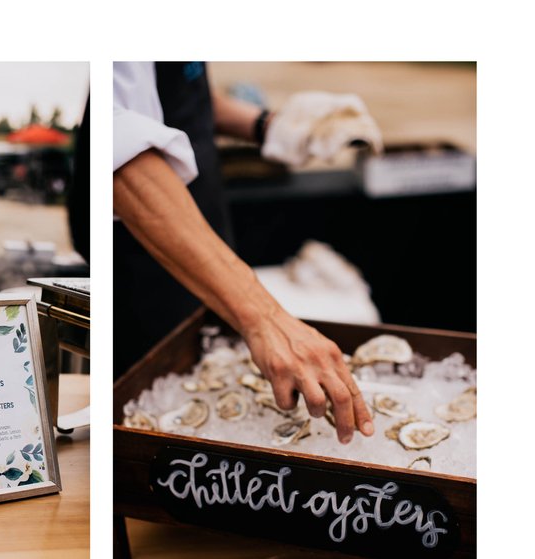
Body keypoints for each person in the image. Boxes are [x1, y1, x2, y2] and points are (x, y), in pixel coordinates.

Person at [113, 62, 382, 444]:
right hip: (144, 267)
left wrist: (269, 125)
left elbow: (177, 94)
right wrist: (266, 318)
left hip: (203, 238)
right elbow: (114, 139)